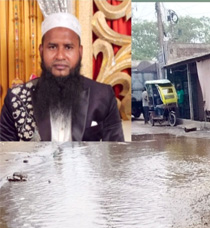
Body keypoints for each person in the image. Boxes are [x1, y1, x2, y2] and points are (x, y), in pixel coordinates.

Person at [0, 12, 124, 141]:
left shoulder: (103, 95)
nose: (60, 56)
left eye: (68, 47)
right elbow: (5, 155)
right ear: (41, 51)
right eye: (52, 47)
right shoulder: (17, 98)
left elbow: (116, 155)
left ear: (80, 52)